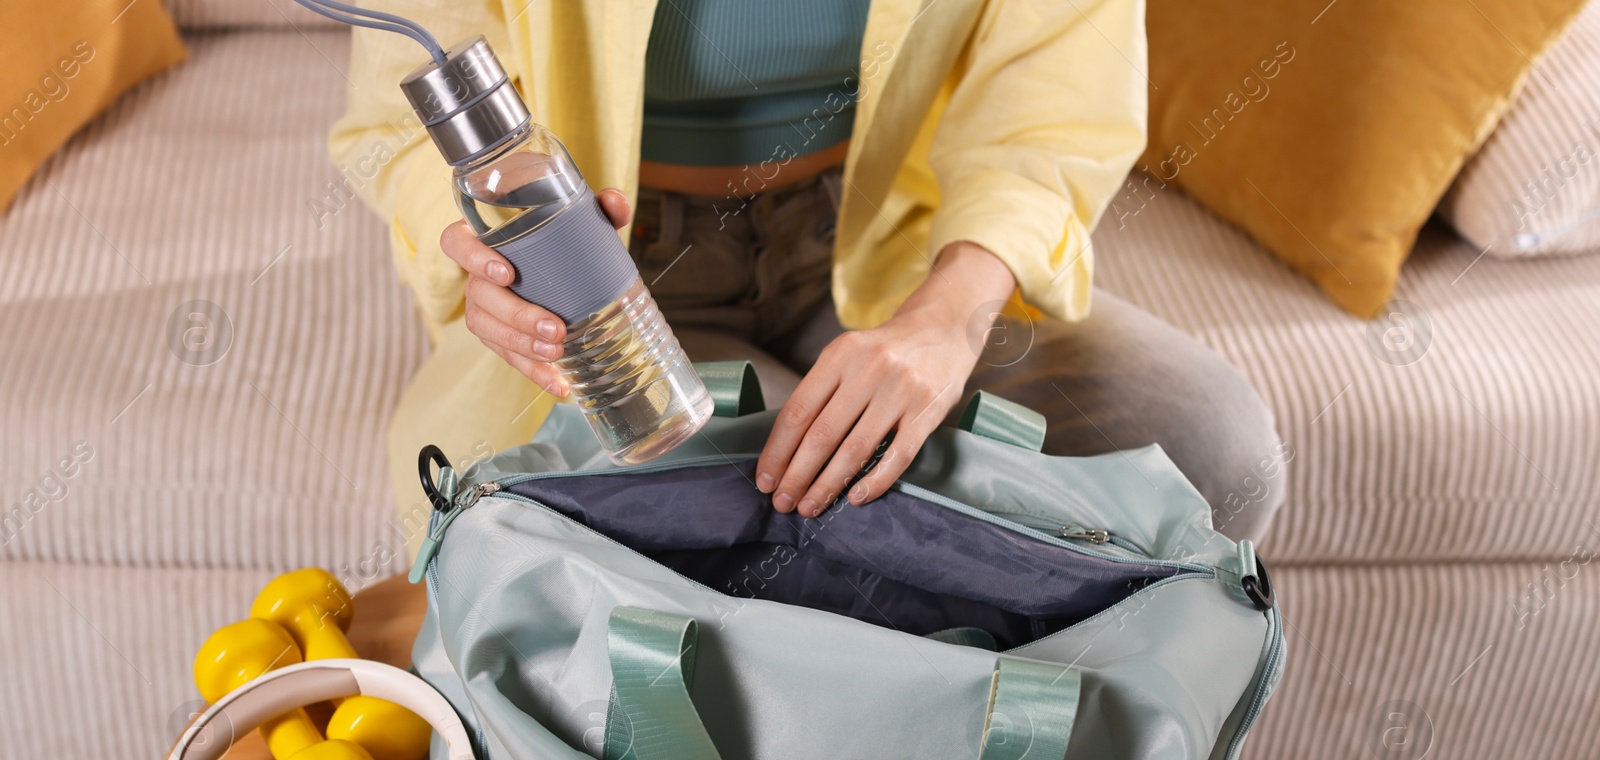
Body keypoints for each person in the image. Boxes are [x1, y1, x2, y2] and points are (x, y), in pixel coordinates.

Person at [331, 0, 1284, 554]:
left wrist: (946, 318)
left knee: (1213, 447)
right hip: (617, 274)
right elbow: (399, 122)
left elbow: (1054, 102)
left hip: (886, 239)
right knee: (768, 521)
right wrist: (488, 255)